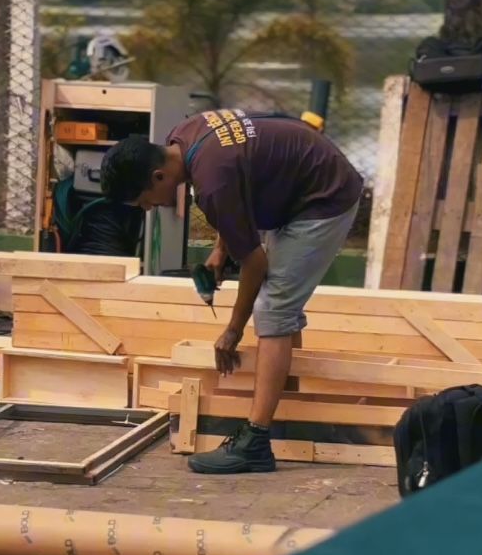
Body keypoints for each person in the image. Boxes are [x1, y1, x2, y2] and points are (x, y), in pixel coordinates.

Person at [100, 108, 363, 474]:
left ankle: (256, 442)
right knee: (280, 306)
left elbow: (254, 263)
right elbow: (239, 182)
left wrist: (233, 331)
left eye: (144, 200)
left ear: (158, 176)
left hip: (323, 197)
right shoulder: (184, 134)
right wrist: (223, 249)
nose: (149, 208)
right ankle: (291, 414)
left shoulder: (212, 181)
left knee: (272, 309)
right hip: (298, 181)